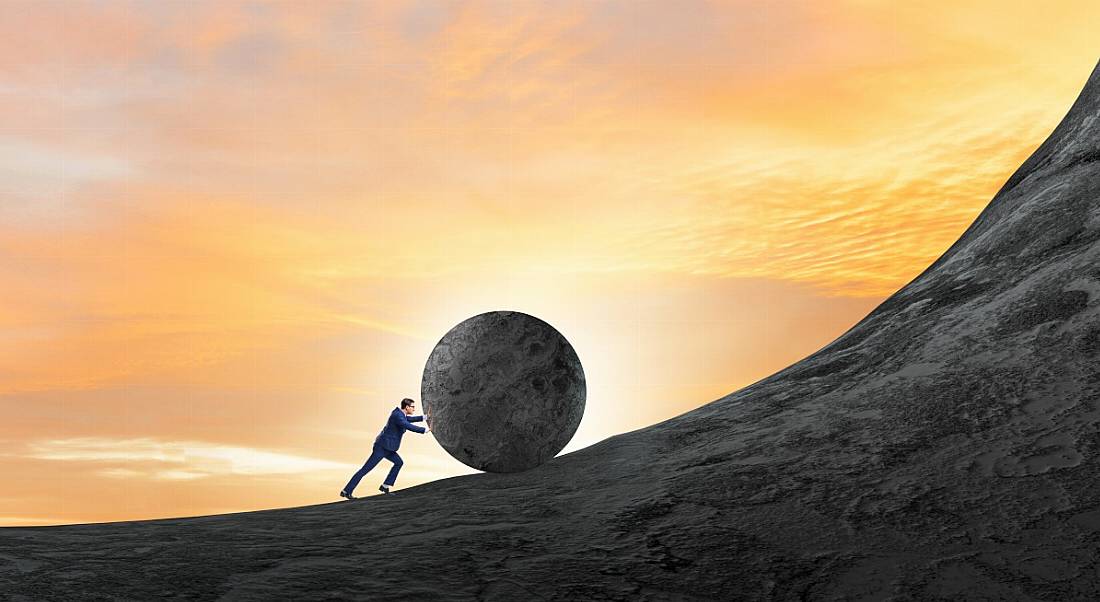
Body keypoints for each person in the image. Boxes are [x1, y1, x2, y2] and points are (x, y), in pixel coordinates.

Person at [340, 398, 430, 499]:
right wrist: (424, 430)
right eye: (413, 407)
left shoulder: (401, 414)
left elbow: (409, 419)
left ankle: (385, 486)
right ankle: (346, 491)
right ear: (407, 407)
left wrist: (424, 417)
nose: (414, 409)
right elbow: (407, 425)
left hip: (389, 448)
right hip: (381, 448)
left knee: (399, 462)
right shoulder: (397, 416)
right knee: (365, 470)